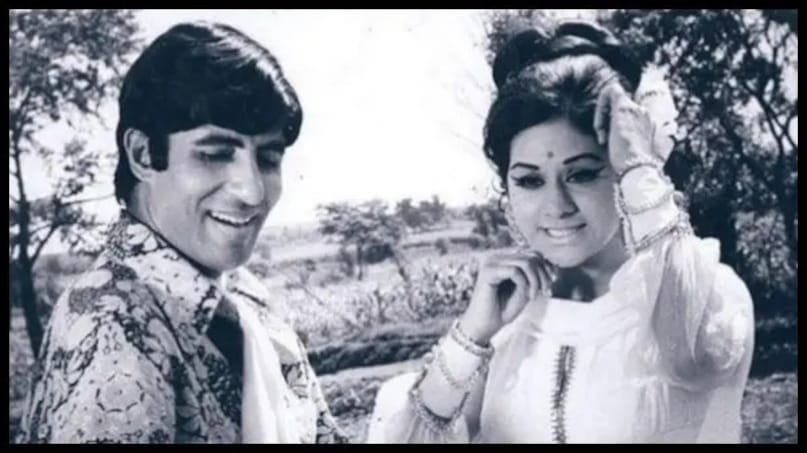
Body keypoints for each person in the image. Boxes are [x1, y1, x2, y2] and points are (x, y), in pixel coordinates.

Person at [368, 20, 755, 443]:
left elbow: (694, 362)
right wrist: (472, 334)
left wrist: (641, 168)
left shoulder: (706, 298)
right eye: (529, 180)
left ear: (623, 170)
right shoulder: (509, 314)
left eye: (582, 174)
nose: (556, 206)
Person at [19, 21, 347, 444]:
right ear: (142, 155)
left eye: (268, 158)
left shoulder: (246, 303)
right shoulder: (112, 325)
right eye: (215, 155)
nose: (252, 191)